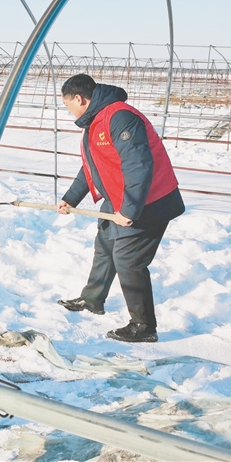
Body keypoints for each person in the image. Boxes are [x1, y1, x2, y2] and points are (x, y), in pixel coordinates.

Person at [56, 73, 184, 343]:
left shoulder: (120, 117)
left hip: (150, 201)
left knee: (129, 260)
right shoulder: (96, 121)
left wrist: (129, 210)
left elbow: (138, 165)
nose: (69, 111)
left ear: (79, 99)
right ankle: (93, 299)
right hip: (123, 197)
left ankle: (144, 326)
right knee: (105, 244)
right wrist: (71, 198)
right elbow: (92, 166)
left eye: (68, 105)